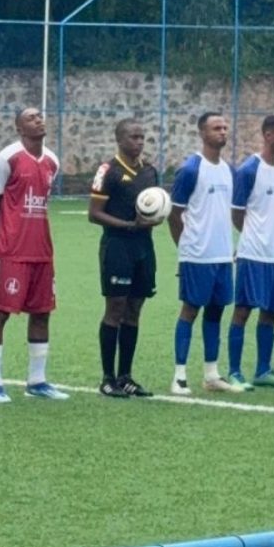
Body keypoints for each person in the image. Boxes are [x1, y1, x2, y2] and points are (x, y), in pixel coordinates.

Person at [0, 107, 69, 403]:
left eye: (41, 116)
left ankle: (37, 381)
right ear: (19, 128)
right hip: (12, 251)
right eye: (31, 118)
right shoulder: (7, 158)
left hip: (42, 250)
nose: (39, 120)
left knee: (42, 312)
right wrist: (4, 232)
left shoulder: (52, 161)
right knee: (1, 312)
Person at [168, 112, 238, 394]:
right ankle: (179, 376)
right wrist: (185, 246)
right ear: (202, 133)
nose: (222, 132)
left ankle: (211, 374)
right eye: (215, 128)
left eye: (224, 127)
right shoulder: (190, 169)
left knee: (216, 312)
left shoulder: (228, 169)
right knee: (190, 310)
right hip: (197, 255)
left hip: (222, 255)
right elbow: (174, 214)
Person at [88, 118, 156, 398]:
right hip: (117, 247)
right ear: (120, 139)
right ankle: (108, 378)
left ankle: (126, 376)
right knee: (115, 307)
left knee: (134, 309)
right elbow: (94, 213)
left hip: (144, 247)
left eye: (142, 137)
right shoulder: (109, 171)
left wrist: (155, 218)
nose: (139, 142)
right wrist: (129, 225)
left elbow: (154, 205)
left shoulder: (150, 171)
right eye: (133, 137)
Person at [226, 114, 274, 389]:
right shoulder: (249, 170)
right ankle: (234, 371)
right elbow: (237, 213)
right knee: (243, 310)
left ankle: (263, 370)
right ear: (267, 135)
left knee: (271, 311)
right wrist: (254, 237)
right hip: (253, 254)